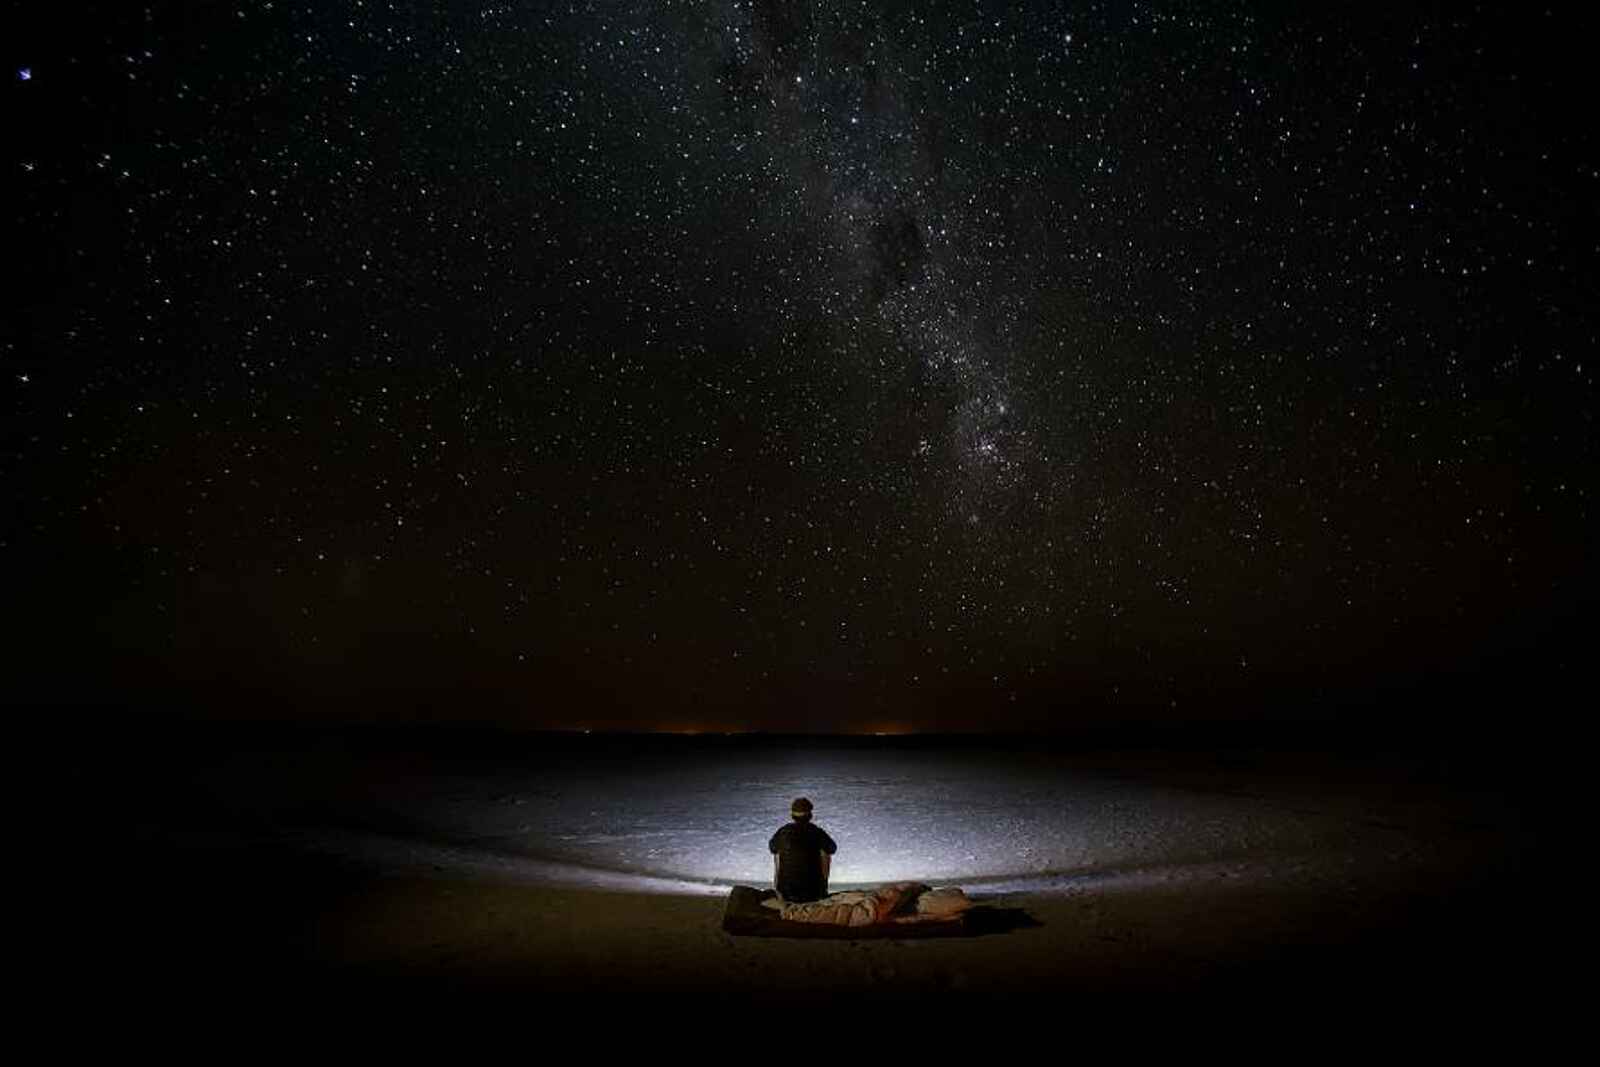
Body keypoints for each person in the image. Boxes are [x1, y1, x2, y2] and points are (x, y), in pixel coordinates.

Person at [769, 796, 837, 903]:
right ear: (810, 815)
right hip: (812, 893)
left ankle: (779, 891)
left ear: (792, 815)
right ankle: (822, 891)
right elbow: (832, 848)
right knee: (825, 852)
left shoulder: (783, 831)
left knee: (777, 850)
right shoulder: (816, 832)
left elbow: (772, 848)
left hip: (787, 893)